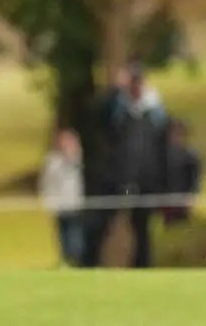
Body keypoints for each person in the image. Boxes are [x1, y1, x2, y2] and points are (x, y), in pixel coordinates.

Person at [81, 63, 170, 268]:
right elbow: (97, 117)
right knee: (102, 224)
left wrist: (162, 182)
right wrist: (114, 90)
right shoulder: (117, 108)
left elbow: (163, 149)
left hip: (146, 180)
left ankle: (141, 269)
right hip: (116, 179)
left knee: (142, 230)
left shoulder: (156, 114)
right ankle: (89, 265)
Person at [38, 128, 85, 267]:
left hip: (75, 204)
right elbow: (47, 182)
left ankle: (75, 259)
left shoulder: (78, 159)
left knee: (75, 234)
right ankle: (66, 259)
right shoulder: (53, 161)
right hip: (60, 204)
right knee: (63, 234)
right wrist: (48, 200)